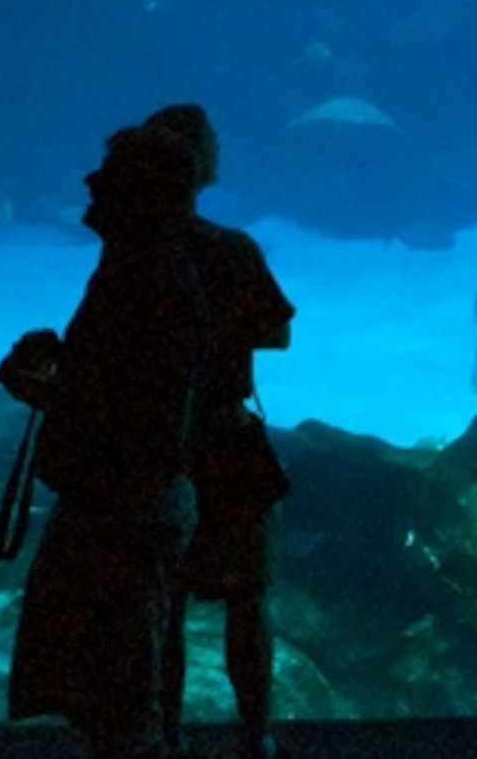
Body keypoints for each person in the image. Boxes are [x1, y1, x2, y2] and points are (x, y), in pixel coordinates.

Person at [0, 123, 209, 759]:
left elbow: (142, 419)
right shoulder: (132, 267)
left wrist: (36, 387)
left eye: (109, 172)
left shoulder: (151, 279)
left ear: (144, 191)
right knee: (98, 696)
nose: (91, 181)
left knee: (124, 699)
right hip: (108, 507)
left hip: (124, 512)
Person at [144, 105, 296, 759]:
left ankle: (167, 736)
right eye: (212, 140)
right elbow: (278, 332)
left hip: (155, 447)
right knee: (247, 597)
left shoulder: (132, 254)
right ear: (193, 160)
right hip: (226, 441)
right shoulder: (230, 250)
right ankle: (255, 735)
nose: (220, 146)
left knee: (165, 606)